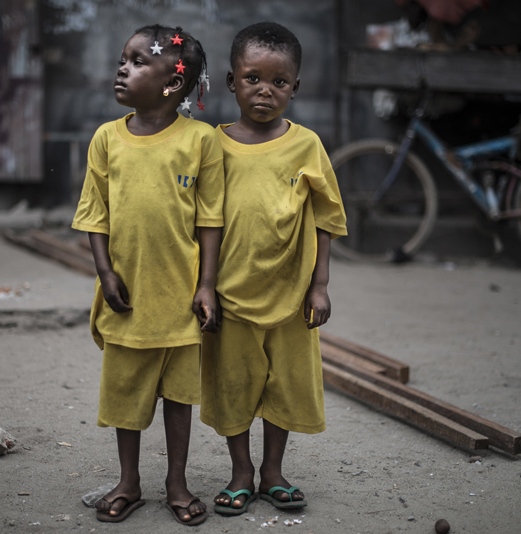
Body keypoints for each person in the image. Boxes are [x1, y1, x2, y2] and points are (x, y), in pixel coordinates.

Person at [71, 24, 223, 526]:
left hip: (179, 298)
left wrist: (205, 285)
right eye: (123, 59)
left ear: (171, 83)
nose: (123, 68)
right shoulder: (106, 139)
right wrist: (105, 271)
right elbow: (95, 212)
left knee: (179, 397)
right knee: (127, 396)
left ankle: (176, 482)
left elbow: (210, 219)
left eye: (138, 62)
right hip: (129, 295)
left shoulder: (201, 142)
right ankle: (128, 482)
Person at [200, 22, 347, 515]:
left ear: (295, 88)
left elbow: (326, 218)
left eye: (279, 82)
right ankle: (241, 472)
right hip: (230, 294)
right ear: (230, 81)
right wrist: (204, 287)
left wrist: (320, 286)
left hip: (291, 295)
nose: (265, 90)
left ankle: (273, 472)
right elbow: (203, 221)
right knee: (235, 385)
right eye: (252, 78)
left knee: (283, 384)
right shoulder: (211, 146)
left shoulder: (307, 146)